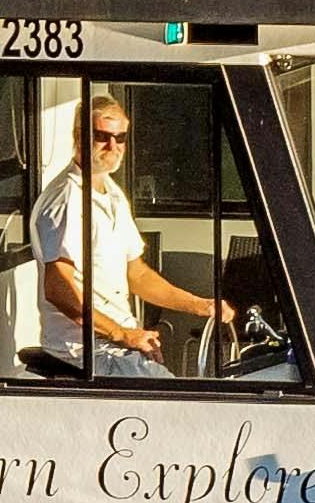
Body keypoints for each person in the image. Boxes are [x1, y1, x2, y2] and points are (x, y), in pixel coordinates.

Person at [30, 94, 239, 379]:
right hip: (86, 352)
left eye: (121, 137)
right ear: (79, 135)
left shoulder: (112, 193)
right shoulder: (67, 200)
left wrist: (201, 305)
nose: (113, 146)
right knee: (179, 407)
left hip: (115, 343)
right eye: (102, 136)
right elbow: (57, 288)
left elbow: (137, 275)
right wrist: (121, 334)